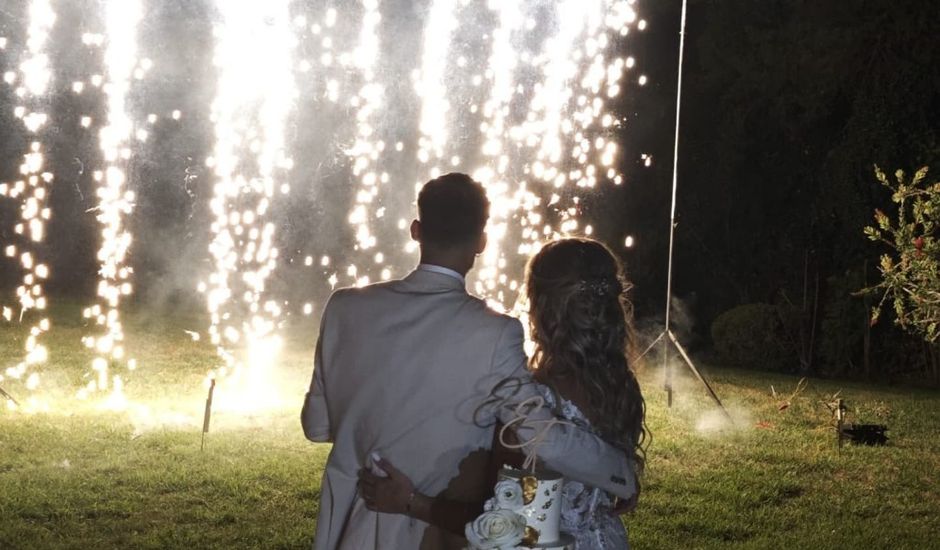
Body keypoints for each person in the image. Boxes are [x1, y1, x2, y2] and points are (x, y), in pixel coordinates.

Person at [301, 173, 638, 550]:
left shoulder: (344, 307)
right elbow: (542, 436)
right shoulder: (496, 333)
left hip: (350, 530)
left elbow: (317, 426)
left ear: (416, 230)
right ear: (481, 242)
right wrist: (622, 472)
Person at [358, 237, 647, 549]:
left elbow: (515, 527)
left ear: (541, 306)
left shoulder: (534, 404)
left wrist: (410, 502)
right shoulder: (622, 387)